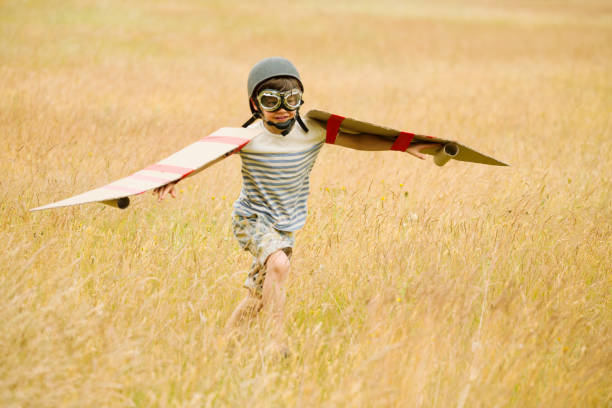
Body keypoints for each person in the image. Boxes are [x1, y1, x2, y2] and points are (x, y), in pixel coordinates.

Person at [154, 57, 433, 351]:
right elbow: (206, 156)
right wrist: (176, 176)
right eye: (271, 101)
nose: (282, 110)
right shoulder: (248, 138)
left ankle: (224, 346)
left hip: (285, 224)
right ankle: (276, 341)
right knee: (279, 263)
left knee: (259, 296)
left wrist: (402, 144)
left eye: (291, 100)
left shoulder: (312, 130)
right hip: (251, 219)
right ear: (255, 105)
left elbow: (360, 139)